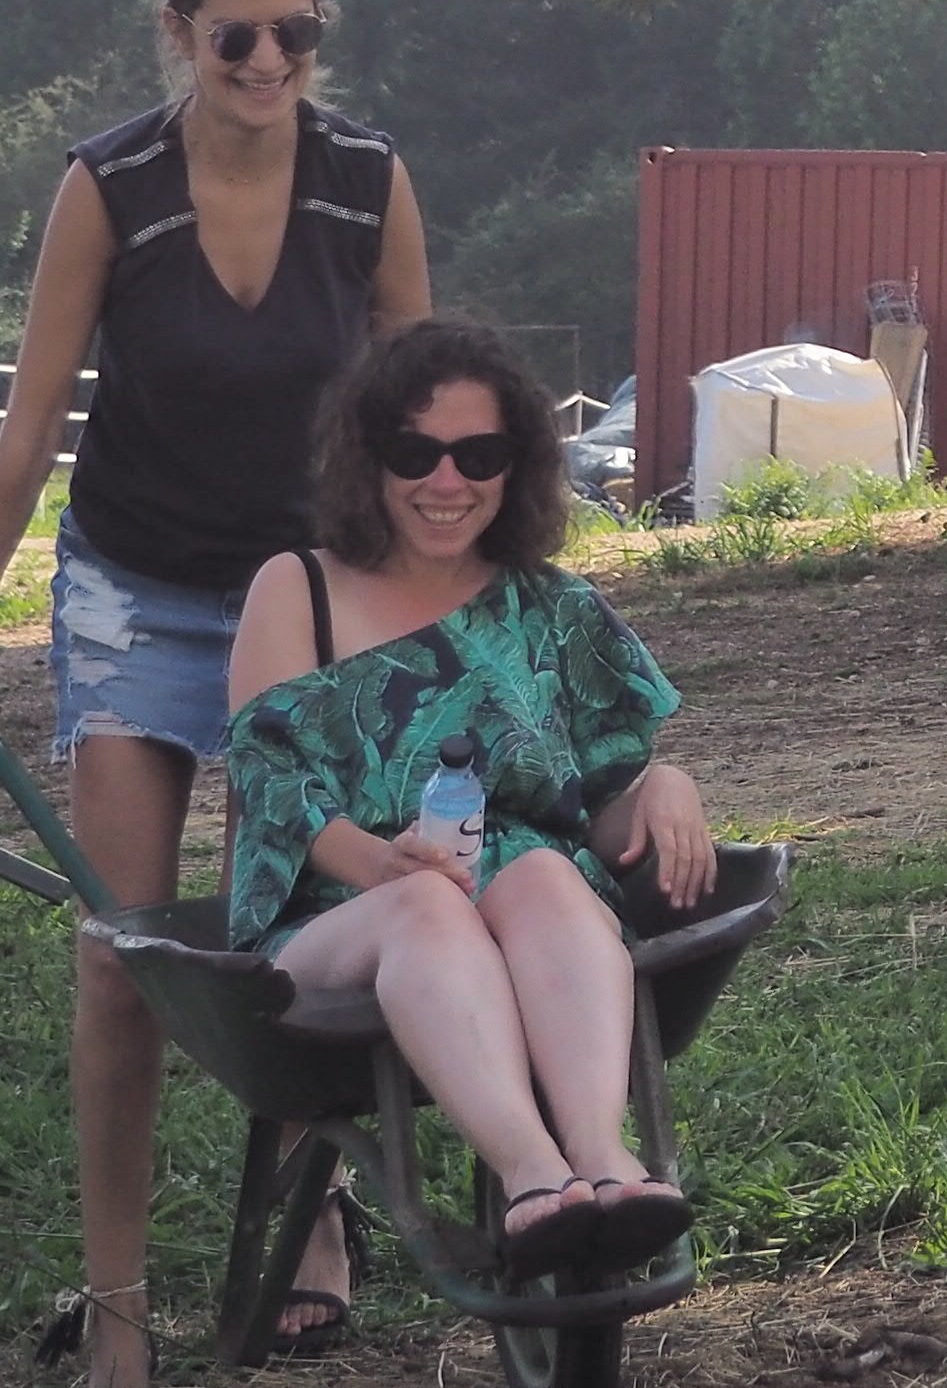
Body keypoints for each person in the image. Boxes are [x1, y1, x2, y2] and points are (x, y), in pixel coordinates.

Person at [0, 0, 426, 1388]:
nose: (268, 64)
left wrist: (437, 615)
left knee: (298, 934)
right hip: (137, 590)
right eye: (235, 39)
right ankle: (120, 1304)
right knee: (124, 953)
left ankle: (316, 1222)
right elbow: (26, 436)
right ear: (179, 32)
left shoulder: (365, 184)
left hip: (307, 601)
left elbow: (423, 421)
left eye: (295, 34)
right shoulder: (112, 187)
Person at [224, 320, 716, 1280]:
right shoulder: (298, 589)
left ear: (516, 465)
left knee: (542, 871)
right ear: (368, 457)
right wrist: (382, 864)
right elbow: (273, 788)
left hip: (517, 896)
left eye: (478, 456)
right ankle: (533, 1174)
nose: (446, 483)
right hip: (335, 916)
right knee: (428, 902)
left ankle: (600, 1156)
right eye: (415, 454)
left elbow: (595, 819)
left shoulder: (551, 609)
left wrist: (665, 784)